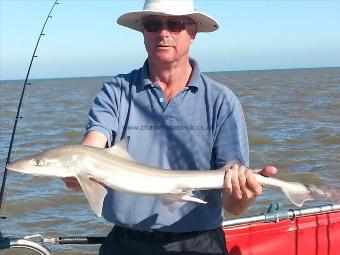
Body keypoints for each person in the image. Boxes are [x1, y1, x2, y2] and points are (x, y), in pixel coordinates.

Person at [64, 0, 277, 254]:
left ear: (193, 32)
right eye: (153, 24)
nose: (163, 33)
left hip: (199, 244)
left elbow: (233, 205)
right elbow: (93, 144)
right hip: (124, 243)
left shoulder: (222, 101)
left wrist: (245, 195)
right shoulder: (116, 91)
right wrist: (77, 171)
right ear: (143, 32)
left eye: (175, 24)